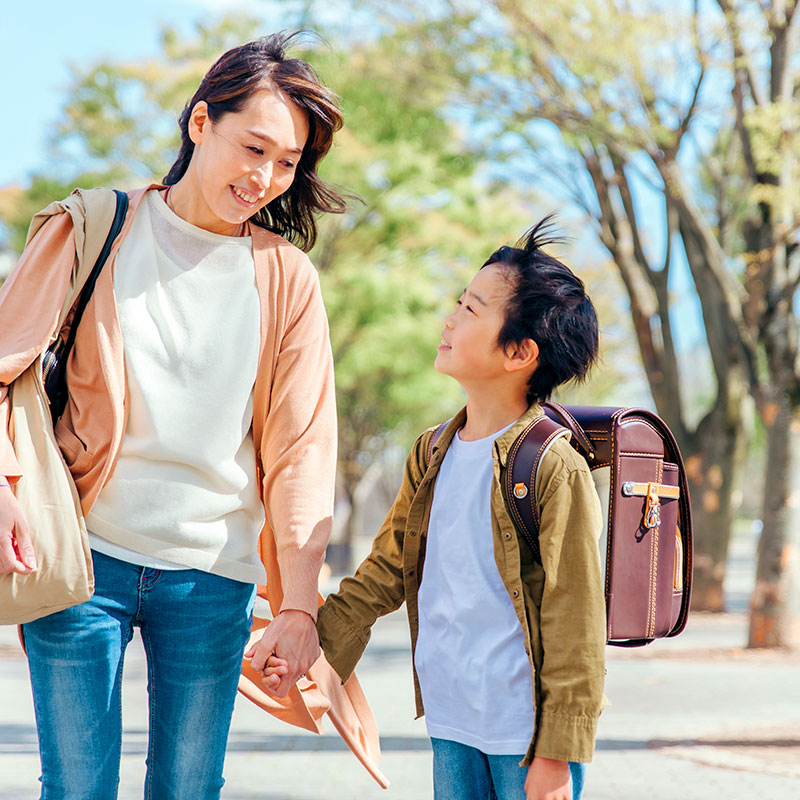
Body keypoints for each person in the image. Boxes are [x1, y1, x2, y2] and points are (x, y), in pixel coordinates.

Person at [0, 32, 384, 799]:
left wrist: (300, 605)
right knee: (75, 787)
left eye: (288, 163)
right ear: (200, 122)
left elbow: (303, 449)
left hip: (214, 577)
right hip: (82, 557)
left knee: (187, 788)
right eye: (255, 148)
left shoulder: (285, 279)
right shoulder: (91, 229)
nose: (267, 177)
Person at [259, 220, 608, 800]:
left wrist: (557, 754)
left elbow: (576, 621)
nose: (450, 319)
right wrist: (311, 642)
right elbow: (385, 572)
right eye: (458, 302)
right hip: (451, 715)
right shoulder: (432, 451)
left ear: (520, 351)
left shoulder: (551, 463)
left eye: (472, 310)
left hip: (524, 732)